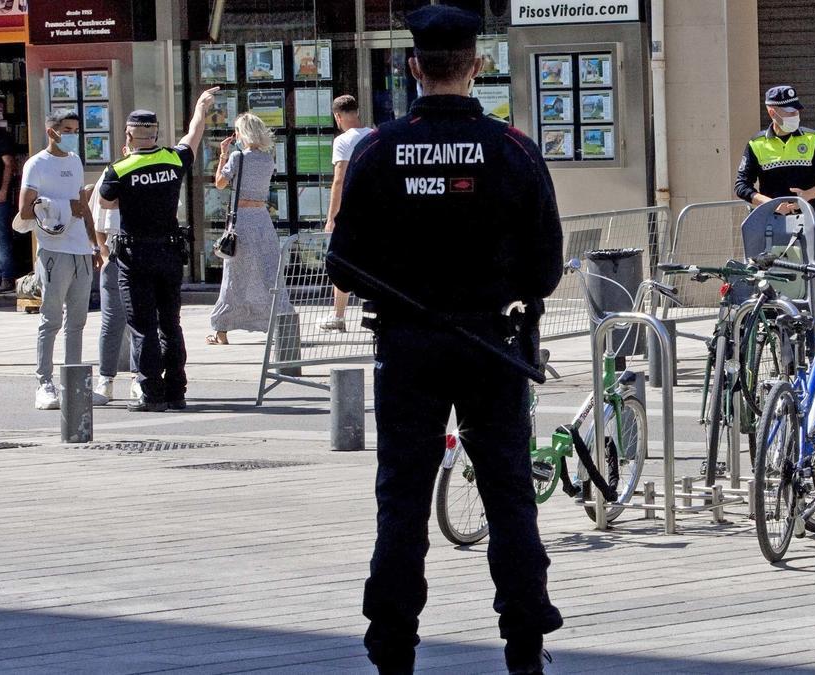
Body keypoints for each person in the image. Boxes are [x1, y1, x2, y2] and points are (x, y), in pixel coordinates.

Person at [326, 6, 564, 673]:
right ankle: (524, 638)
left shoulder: (377, 150)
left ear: (412, 66)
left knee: (401, 497)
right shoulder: (511, 148)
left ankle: (392, 641)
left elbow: (342, 264)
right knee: (509, 491)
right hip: (492, 342)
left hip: (408, 346)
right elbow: (546, 268)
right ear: (476, 66)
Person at [99, 90, 219, 412]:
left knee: (142, 327)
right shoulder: (173, 159)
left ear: (128, 135)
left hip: (135, 257)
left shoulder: (119, 169)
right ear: (155, 134)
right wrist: (199, 108)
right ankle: (176, 391)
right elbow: (193, 135)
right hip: (168, 255)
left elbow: (106, 202)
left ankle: (151, 393)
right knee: (170, 323)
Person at [735, 85, 815, 318]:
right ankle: (776, 337)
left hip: (808, 224)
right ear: (773, 112)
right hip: (772, 225)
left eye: (796, 112)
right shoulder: (757, 144)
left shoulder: (812, 139)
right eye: (789, 112)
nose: (795, 116)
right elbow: (742, 186)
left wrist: (806, 196)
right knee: (772, 282)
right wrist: (770, 204)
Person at [20, 110, 100, 410]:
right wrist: (64, 206)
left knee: (77, 320)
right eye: (67, 129)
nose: (72, 135)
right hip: (54, 249)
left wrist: (94, 245)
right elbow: (25, 211)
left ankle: (73, 382)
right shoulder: (36, 164)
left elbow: (84, 206)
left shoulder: (76, 161)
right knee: (51, 318)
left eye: (76, 129)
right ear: (51, 131)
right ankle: (45, 382)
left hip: (80, 248)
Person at [207, 112, 291, 345]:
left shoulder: (237, 157)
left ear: (242, 133)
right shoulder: (268, 159)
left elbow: (220, 183)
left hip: (242, 220)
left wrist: (222, 155)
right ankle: (280, 321)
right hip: (262, 218)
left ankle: (222, 328)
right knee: (268, 271)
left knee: (235, 274)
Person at [87, 160, 141, 405]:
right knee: (111, 321)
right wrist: (105, 254)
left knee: (141, 321)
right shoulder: (110, 176)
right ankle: (106, 380)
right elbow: (96, 220)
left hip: (143, 255)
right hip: (116, 254)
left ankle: (138, 379)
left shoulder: (149, 174)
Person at [320, 95, 372, 332]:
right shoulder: (374, 135)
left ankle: (338, 316)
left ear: (337, 116)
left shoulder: (342, 141)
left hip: (351, 211)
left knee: (341, 260)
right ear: (357, 111)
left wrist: (332, 217)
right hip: (374, 209)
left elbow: (339, 180)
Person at [0, 125, 16, 294]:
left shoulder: (0, 136)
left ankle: (6, 277)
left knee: (1, 238)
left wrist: (3, 190)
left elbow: (9, 163)